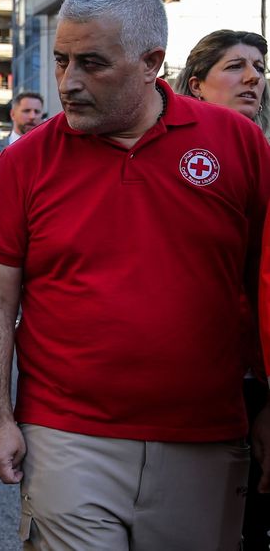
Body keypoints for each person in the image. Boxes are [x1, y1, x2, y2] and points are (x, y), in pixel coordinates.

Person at [0, 0, 270, 550]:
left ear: (152, 62)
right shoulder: (26, 160)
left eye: (91, 64)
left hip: (205, 436)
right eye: (61, 61)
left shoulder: (237, 144)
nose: (68, 82)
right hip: (65, 434)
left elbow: (264, 284)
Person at [175, 28, 270, 549]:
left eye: (259, 66)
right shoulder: (174, 160)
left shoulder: (264, 156)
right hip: (193, 381)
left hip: (256, 376)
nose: (253, 76)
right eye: (235, 66)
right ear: (195, 86)